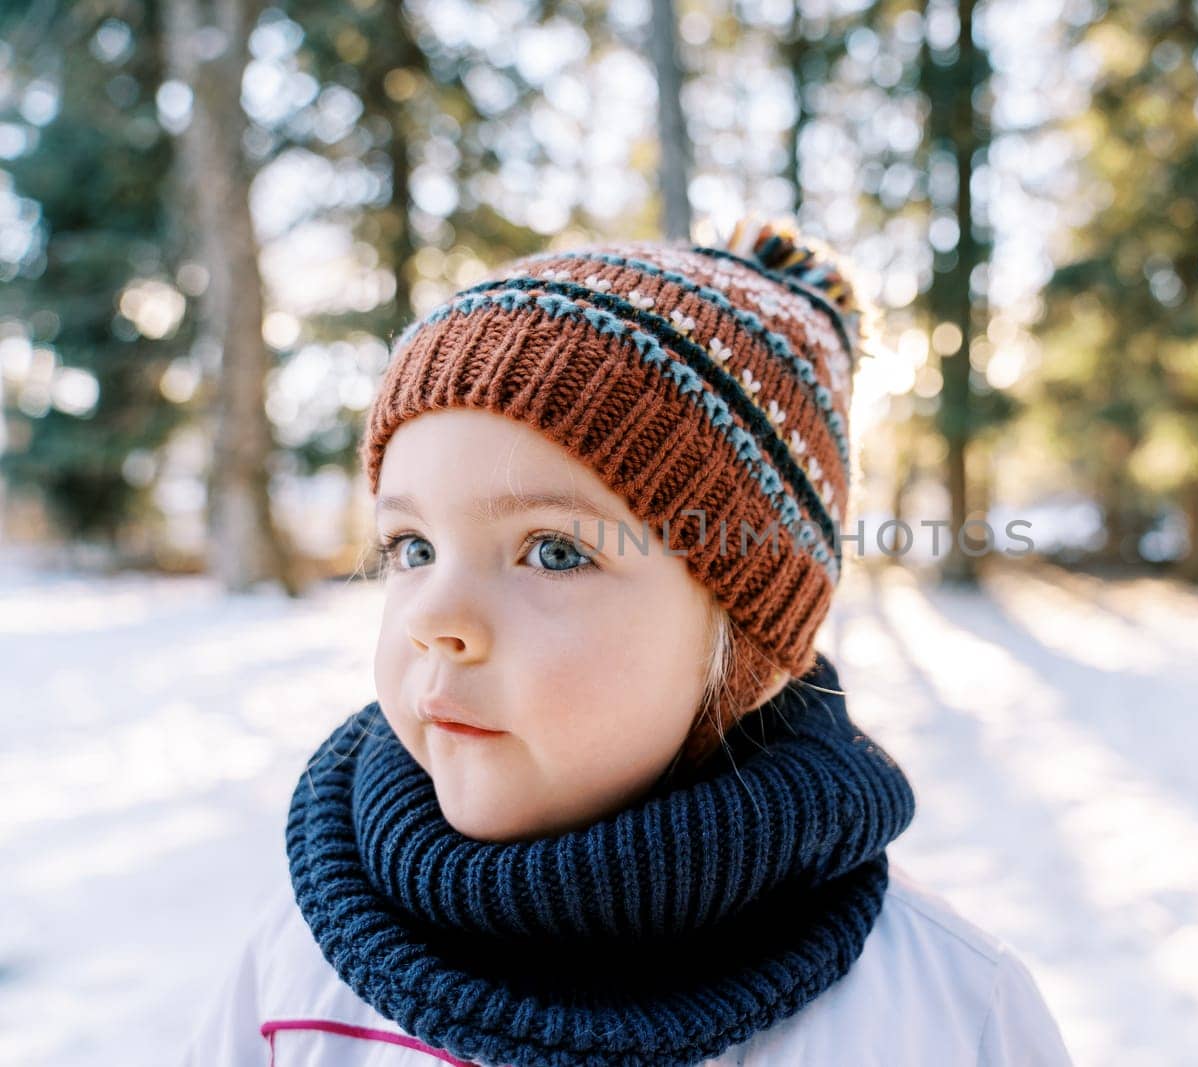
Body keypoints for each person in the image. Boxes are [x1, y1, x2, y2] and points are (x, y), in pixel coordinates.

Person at [182, 217, 1074, 1066]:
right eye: (412, 547)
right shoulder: (296, 976)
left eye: (555, 551)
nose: (431, 617)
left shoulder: (943, 1014)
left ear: (749, 648)